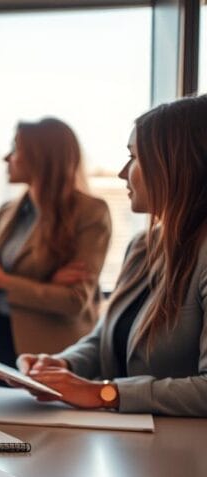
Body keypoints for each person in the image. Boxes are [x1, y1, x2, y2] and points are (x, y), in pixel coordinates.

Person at [16, 95, 207, 416]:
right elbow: (107, 333)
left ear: (176, 165)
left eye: (134, 157)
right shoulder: (144, 245)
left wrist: (104, 393)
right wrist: (62, 364)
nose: (122, 173)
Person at [0, 117, 111, 394]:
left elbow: (74, 301)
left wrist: (5, 280)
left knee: (46, 436)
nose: (6, 157)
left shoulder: (89, 212)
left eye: (15, 148)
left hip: (50, 350)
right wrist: (48, 281)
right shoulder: (7, 211)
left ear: (42, 156)